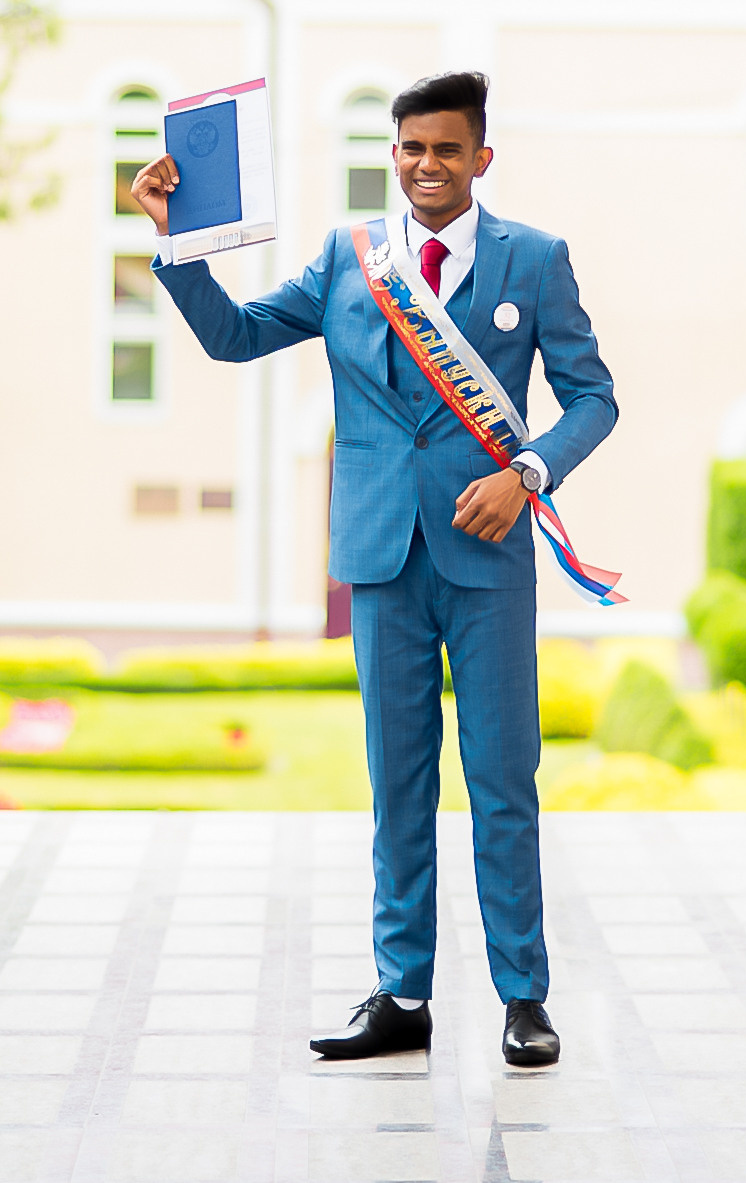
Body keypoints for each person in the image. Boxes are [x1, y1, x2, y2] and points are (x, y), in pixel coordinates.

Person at [132, 71, 617, 1067]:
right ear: (390, 156)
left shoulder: (534, 260)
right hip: (378, 557)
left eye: (445, 149)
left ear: (481, 158)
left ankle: (523, 998)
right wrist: (173, 240)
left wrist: (524, 473)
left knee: (499, 780)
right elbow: (233, 340)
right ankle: (400, 993)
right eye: (409, 149)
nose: (425, 165)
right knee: (397, 784)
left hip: (486, 556)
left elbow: (592, 400)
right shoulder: (348, 261)